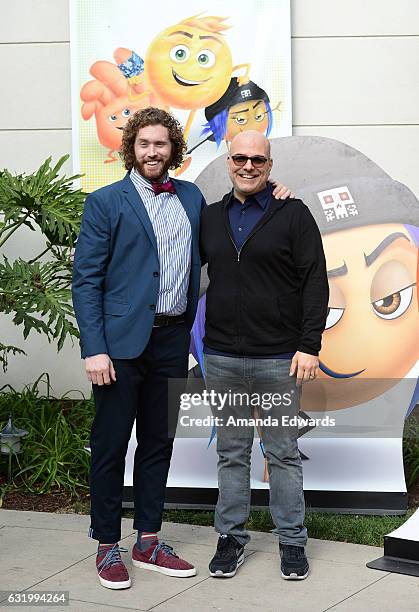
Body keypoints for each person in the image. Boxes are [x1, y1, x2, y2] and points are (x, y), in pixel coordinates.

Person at [72, 108, 292, 590]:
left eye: (162, 144)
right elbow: (85, 280)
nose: (153, 152)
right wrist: (95, 348)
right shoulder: (106, 202)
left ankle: (148, 539)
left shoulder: (191, 197)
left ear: (174, 149)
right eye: (144, 144)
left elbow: (237, 215)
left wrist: (275, 198)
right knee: (111, 443)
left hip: (172, 338)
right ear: (131, 148)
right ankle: (107, 543)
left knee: (158, 442)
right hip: (120, 345)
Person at [200, 130, 329, 580]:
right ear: (228, 162)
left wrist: (309, 345)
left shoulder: (293, 214)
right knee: (232, 452)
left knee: (282, 453)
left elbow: (315, 281)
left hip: (278, 359)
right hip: (222, 358)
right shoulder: (210, 217)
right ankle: (231, 538)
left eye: (258, 159)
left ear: (270, 166)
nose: (248, 166)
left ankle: (292, 542)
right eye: (240, 158)